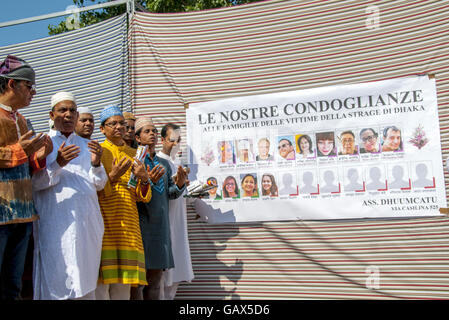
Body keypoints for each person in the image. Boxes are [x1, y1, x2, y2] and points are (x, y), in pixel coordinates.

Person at [32, 92, 107, 300]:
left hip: (87, 224)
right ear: (51, 114)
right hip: (56, 225)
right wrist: (58, 164)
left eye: (73, 110)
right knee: (57, 278)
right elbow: (35, 184)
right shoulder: (42, 144)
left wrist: (96, 163)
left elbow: (99, 184)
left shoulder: (88, 145)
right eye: (62, 110)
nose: (68, 114)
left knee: (86, 280)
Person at [0, 55, 53, 300]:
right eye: (29, 86)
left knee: (13, 284)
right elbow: (15, 154)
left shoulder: (21, 119)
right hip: (1, 213)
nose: (33, 92)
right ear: (12, 84)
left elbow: (25, 166)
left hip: (22, 214)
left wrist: (39, 157)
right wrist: (23, 151)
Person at [95, 105, 152, 300]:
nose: (119, 127)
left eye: (121, 123)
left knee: (122, 289)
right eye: (113, 124)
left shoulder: (134, 153)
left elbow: (142, 196)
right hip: (104, 224)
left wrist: (144, 179)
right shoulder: (98, 151)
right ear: (102, 129)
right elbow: (91, 189)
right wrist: (112, 176)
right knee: (101, 287)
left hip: (128, 223)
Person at [133, 117, 187, 300]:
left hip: (160, 228)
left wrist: (179, 185)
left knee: (156, 280)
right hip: (141, 227)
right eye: (147, 131)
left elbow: (169, 194)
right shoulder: (134, 162)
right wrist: (146, 181)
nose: (152, 134)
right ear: (137, 138)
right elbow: (130, 191)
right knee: (138, 284)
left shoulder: (163, 164)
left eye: (154, 131)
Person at [158, 123, 194, 300]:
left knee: (178, 267)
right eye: (172, 140)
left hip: (179, 220)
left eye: (178, 140)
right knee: (163, 275)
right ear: (162, 139)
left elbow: (184, 195)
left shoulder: (179, 164)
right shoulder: (157, 162)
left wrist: (195, 191)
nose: (175, 144)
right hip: (164, 222)